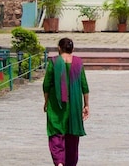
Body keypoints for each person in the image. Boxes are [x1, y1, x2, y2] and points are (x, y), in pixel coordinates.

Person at [43, 37, 89, 166]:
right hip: (74, 105)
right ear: (72, 49)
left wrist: (46, 101)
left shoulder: (53, 62)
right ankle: (69, 163)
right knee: (72, 135)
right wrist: (86, 105)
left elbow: (46, 84)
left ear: (59, 48)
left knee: (56, 132)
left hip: (56, 103)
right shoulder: (78, 63)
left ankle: (59, 162)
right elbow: (84, 85)